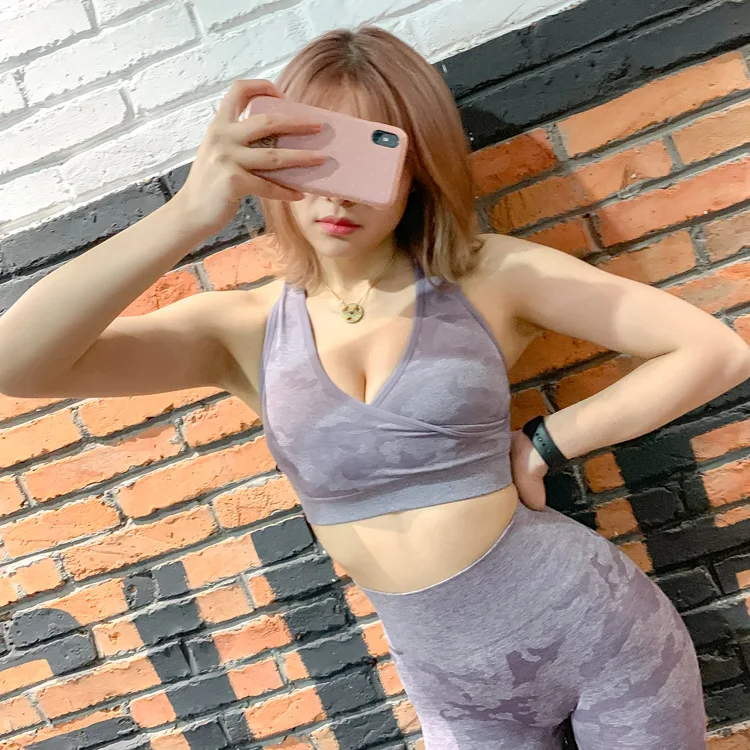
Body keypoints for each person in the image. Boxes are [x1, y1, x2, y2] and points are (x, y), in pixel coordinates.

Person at [0, 26, 747, 750]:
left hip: (604, 638)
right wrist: (190, 213)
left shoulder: (488, 277)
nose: (339, 197)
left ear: (416, 167)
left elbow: (714, 351)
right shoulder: (242, 330)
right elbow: (16, 365)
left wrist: (545, 442)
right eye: (314, 155)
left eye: (367, 158)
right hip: (456, 692)